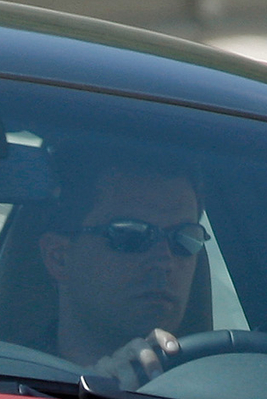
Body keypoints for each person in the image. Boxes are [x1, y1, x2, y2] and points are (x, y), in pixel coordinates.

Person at [32, 159, 212, 386]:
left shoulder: (227, 392)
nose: (164, 261)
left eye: (185, 239)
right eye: (130, 235)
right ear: (59, 258)